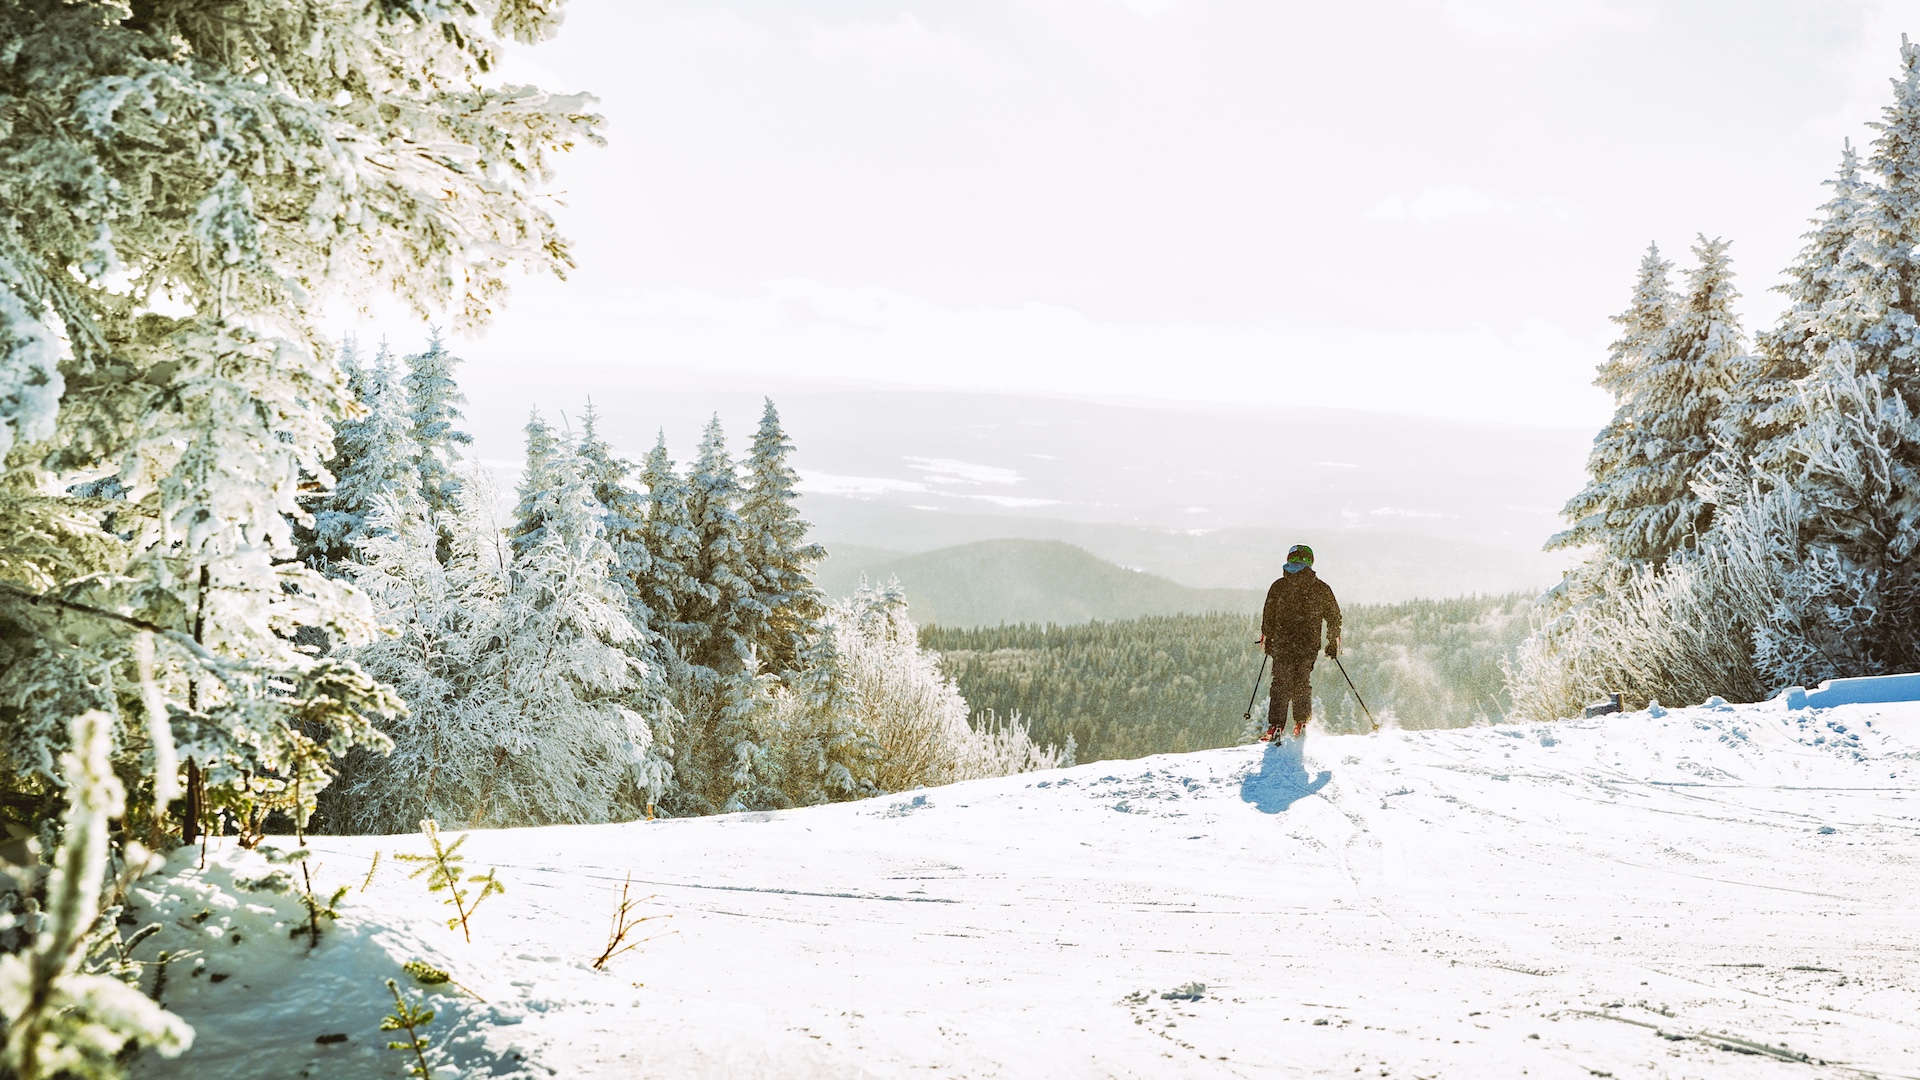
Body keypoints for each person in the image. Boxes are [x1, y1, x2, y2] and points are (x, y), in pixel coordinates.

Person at [1257, 543, 1341, 742]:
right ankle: (1301, 723)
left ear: (1289, 559)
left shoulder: (1279, 586)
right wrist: (1332, 641)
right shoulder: (1321, 588)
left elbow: (1268, 615)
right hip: (1308, 645)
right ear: (1310, 562)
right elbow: (1334, 616)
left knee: (1280, 683)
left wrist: (1267, 638)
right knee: (1302, 682)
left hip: (1282, 643)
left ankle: (1276, 727)